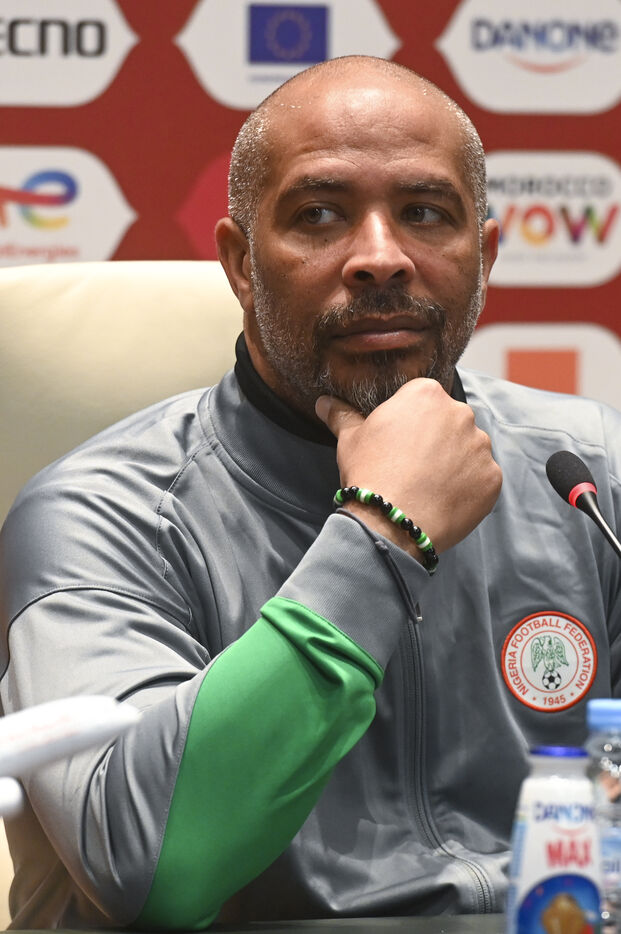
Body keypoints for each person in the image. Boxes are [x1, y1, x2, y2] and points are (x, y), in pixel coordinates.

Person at [0, 54, 619, 930]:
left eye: (424, 213)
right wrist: (381, 534)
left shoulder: (587, 474)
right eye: (319, 215)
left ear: (481, 257)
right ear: (240, 264)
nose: (380, 259)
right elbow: (153, 869)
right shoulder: (102, 513)